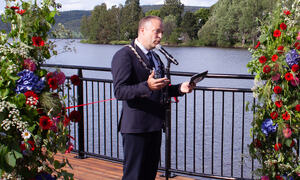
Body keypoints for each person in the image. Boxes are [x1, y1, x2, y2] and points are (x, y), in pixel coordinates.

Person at [111, 16, 194, 180]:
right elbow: (120, 91)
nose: (160, 36)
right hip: (136, 128)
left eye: (162, 32)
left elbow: (160, 89)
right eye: (157, 31)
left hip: (155, 125)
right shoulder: (124, 55)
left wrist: (179, 89)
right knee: (134, 176)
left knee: (149, 176)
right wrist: (146, 86)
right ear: (142, 30)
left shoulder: (155, 58)